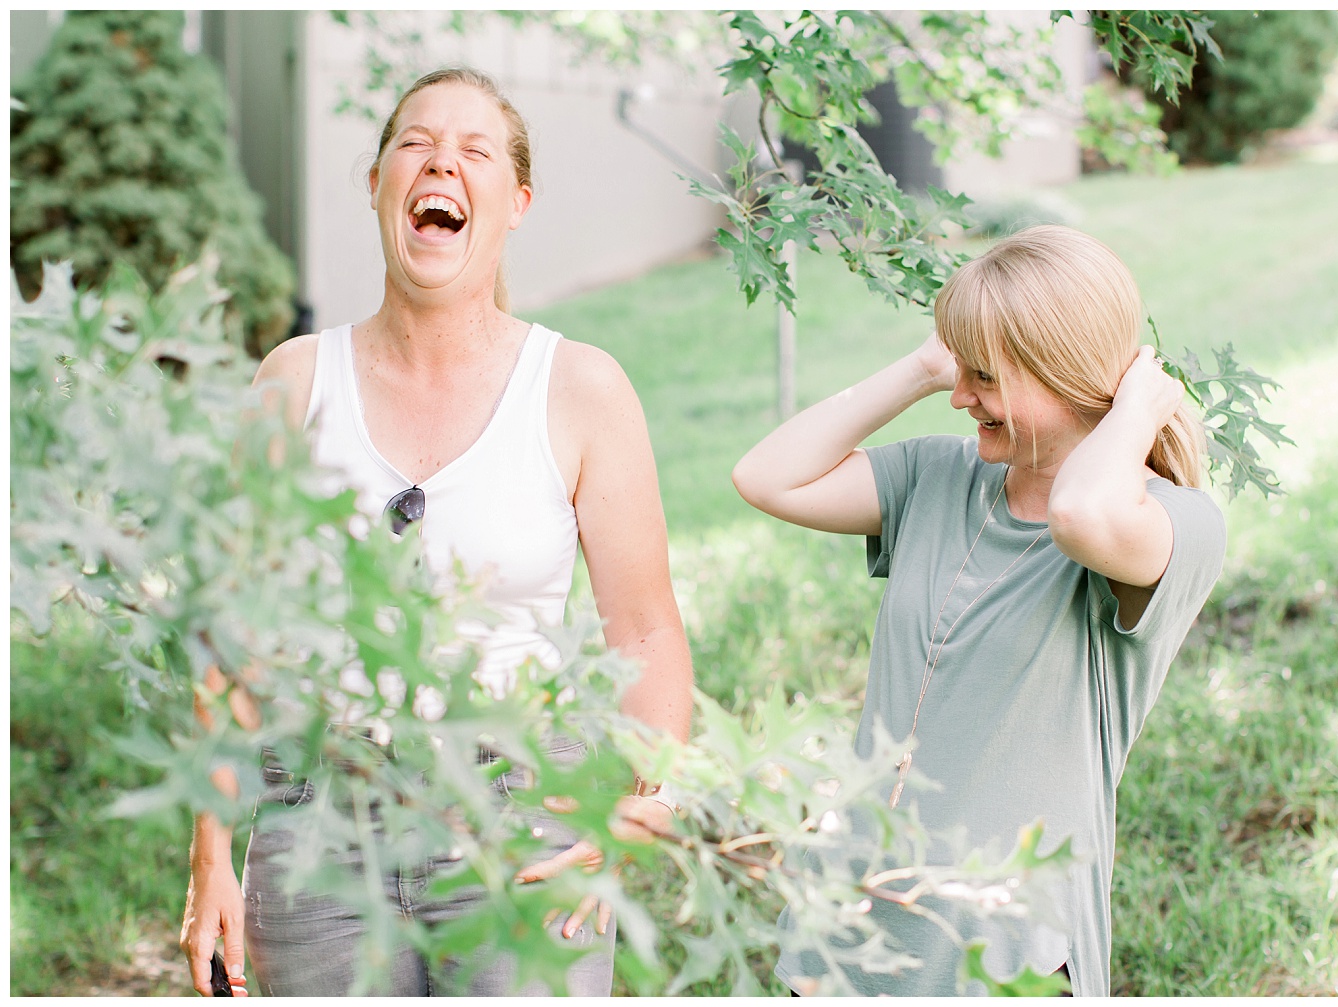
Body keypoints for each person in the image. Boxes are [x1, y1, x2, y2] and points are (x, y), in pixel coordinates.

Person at [178, 66, 693, 996]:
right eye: (414, 142)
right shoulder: (293, 383)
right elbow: (231, 628)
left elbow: (645, 628)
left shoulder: (580, 389)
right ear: (378, 183)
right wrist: (211, 851)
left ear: (517, 201)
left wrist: (643, 802)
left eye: (475, 150)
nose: (440, 162)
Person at [732, 225, 1226, 997]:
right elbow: (766, 477)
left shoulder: (1171, 524)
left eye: (984, 377)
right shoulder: (938, 476)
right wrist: (923, 367)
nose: (962, 397)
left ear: (1065, 374)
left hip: (1002, 949)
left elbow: (1080, 516)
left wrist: (1137, 406)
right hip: (856, 918)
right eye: (959, 371)